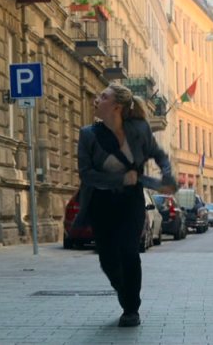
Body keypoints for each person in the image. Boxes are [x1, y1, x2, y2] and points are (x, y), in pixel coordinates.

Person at [74, 83, 176, 327]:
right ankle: (124, 291)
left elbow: (158, 154)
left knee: (129, 252)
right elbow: (86, 175)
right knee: (107, 259)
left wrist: (167, 175)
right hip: (101, 202)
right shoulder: (88, 134)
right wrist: (119, 178)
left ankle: (131, 308)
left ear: (116, 107)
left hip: (130, 201)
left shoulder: (138, 131)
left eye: (103, 96)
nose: (96, 100)